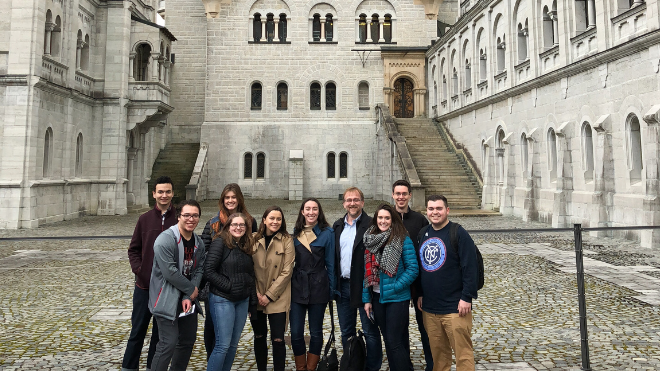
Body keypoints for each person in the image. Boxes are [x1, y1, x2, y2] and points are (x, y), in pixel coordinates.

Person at [417, 195, 478, 371]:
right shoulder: (423, 233)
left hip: (455, 308)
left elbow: (470, 268)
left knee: (463, 355)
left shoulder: (458, 233)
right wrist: (420, 293)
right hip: (430, 309)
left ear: (447, 210)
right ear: (426, 211)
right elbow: (422, 268)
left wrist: (466, 297)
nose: (434, 212)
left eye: (439, 208)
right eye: (431, 209)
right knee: (439, 357)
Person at [122, 176, 177, 371]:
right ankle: (129, 367)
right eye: (160, 192)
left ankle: (153, 368)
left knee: (159, 335)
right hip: (144, 286)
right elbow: (133, 250)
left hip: (167, 289)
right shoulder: (144, 219)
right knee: (137, 331)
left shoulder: (179, 219)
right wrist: (140, 270)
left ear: (173, 193)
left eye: (168, 191)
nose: (164, 195)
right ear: (154, 194)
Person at [200, 183, 257, 359]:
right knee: (212, 325)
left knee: (230, 338)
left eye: (233, 197)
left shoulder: (250, 221)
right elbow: (204, 254)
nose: (230, 200)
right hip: (216, 284)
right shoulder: (213, 223)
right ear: (222, 200)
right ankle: (213, 358)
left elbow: (251, 251)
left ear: (239, 199)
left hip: (240, 283)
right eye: (227, 197)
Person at [148, 200, 206, 371]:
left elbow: (199, 270)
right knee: (168, 343)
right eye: (187, 215)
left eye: (195, 215)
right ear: (179, 216)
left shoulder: (199, 243)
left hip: (187, 299)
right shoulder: (165, 240)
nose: (191, 219)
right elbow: (170, 272)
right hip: (166, 298)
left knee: (187, 341)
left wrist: (189, 296)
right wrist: (191, 290)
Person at [362, 204, 418, 371]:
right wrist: (367, 299)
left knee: (394, 342)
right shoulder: (370, 239)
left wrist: (395, 287)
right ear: (376, 219)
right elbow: (366, 272)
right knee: (388, 340)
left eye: (387, 218)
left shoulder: (402, 238)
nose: (383, 221)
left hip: (397, 298)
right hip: (378, 298)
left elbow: (413, 269)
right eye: (380, 218)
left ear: (393, 220)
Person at [332, 187, 382, 371]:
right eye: (348, 200)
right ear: (344, 203)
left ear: (362, 202)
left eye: (356, 199)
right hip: (343, 285)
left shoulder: (372, 224)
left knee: (370, 331)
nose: (352, 203)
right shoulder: (338, 226)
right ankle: (351, 365)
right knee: (346, 331)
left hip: (363, 286)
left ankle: (372, 367)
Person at [290, 198, 336, 371]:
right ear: (302, 211)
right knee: (295, 333)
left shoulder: (328, 233)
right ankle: (301, 367)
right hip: (297, 285)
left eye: (314, 209)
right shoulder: (295, 232)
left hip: (319, 285)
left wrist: (331, 290)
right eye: (307, 208)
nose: (311, 212)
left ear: (319, 211)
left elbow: (330, 264)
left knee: (316, 332)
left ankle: (311, 368)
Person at [391, 179, 432, 371]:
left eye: (404, 194)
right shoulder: (386, 218)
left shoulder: (419, 220)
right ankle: (403, 364)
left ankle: (432, 364)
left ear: (409, 195)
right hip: (396, 282)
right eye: (397, 194)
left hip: (417, 282)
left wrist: (423, 289)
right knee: (400, 327)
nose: (401, 197)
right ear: (393, 195)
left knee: (425, 325)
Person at [250, 206, 295, 371]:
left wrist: (269, 296)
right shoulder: (253, 239)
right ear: (264, 220)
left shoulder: (286, 240)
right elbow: (248, 269)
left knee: (278, 339)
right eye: (272, 218)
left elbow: (287, 271)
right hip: (257, 295)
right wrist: (256, 294)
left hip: (278, 296)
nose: (275, 222)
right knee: (259, 336)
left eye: (278, 219)